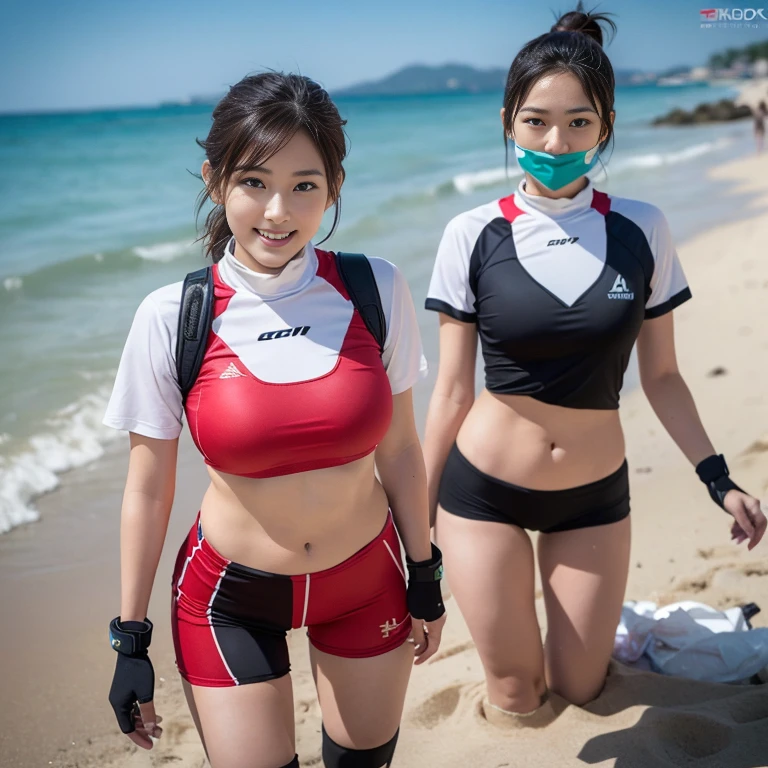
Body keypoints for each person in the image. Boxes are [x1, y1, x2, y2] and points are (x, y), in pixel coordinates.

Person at [422, 4, 766, 729]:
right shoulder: (471, 233)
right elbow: (450, 392)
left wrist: (717, 477)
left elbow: (663, 376)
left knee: (580, 686)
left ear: (606, 125)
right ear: (510, 120)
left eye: (579, 122)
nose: (557, 139)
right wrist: (413, 522)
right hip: (483, 494)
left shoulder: (641, 228)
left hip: (593, 497)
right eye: (537, 121)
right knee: (516, 693)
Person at [103, 72, 446, 768]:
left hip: (367, 581)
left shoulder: (374, 289)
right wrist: (129, 639)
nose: (278, 210)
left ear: (335, 187)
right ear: (215, 179)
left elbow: (402, 451)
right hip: (228, 598)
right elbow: (147, 489)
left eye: (305, 185)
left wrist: (425, 571)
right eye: (254, 182)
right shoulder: (173, 316)